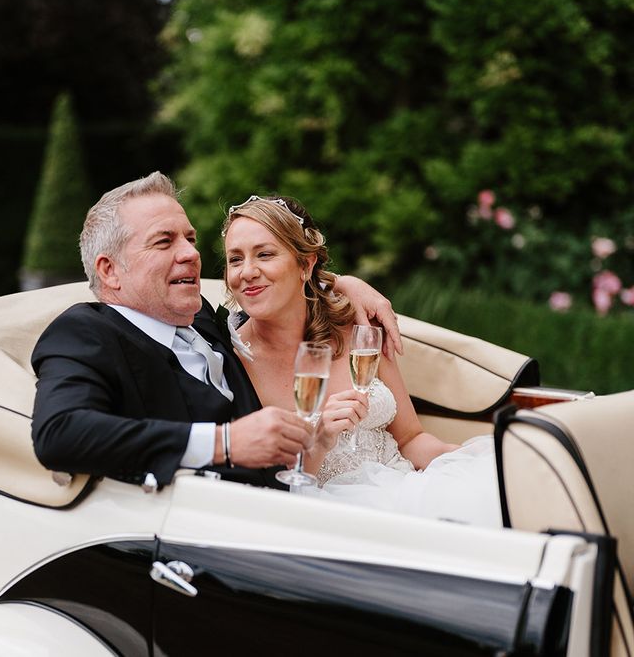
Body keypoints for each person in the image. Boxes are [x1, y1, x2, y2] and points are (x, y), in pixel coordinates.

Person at [30, 171, 401, 491]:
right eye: (164, 241)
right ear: (110, 270)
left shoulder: (203, 317)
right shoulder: (84, 332)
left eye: (190, 238)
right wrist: (223, 442)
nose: (191, 253)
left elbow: (273, 287)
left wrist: (344, 284)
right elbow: (59, 434)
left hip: (297, 501)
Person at [221, 195, 502, 527]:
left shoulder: (359, 329)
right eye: (235, 259)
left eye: (265, 254)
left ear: (306, 264)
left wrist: (465, 461)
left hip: (408, 488)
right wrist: (319, 436)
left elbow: (411, 439)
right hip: (325, 517)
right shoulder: (230, 358)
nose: (247, 272)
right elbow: (258, 488)